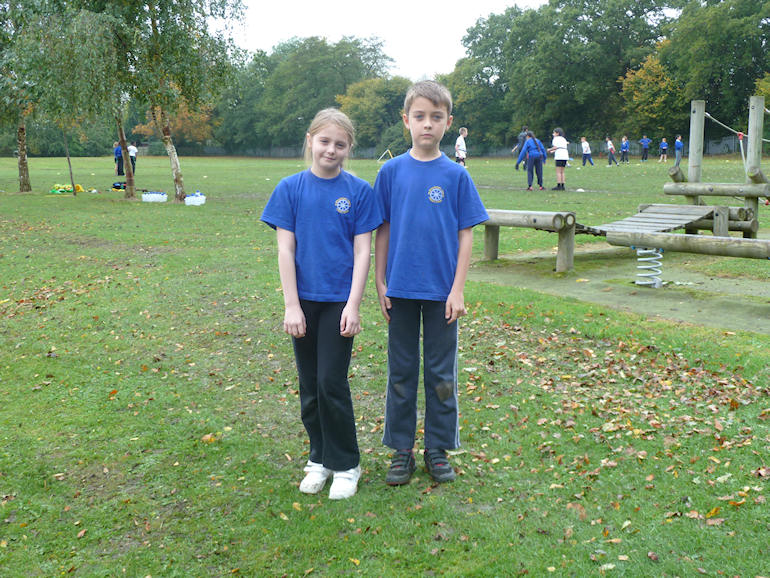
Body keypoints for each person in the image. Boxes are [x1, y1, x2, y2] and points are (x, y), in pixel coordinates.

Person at [260, 108, 382, 500]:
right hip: (303, 303)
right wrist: (291, 306)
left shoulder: (359, 192)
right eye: (324, 141)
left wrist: (354, 305)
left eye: (340, 144)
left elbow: (363, 252)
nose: (331, 150)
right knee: (309, 386)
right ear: (310, 140)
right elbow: (284, 249)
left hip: (338, 304)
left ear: (349, 149)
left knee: (331, 382)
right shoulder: (289, 189)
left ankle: (347, 464)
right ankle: (320, 459)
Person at [373, 80, 488, 486]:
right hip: (400, 291)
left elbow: (466, 234)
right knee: (401, 372)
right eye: (419, 117)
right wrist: (379, 280)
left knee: (441, 375)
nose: (427, 125)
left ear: (448, 123)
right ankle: (401, 450)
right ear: (406, 121)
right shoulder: (390, 172)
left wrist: (458, 289)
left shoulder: (456, 176)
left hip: (442, 295)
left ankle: (437, 449)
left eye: (436, 117)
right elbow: (382, 229)